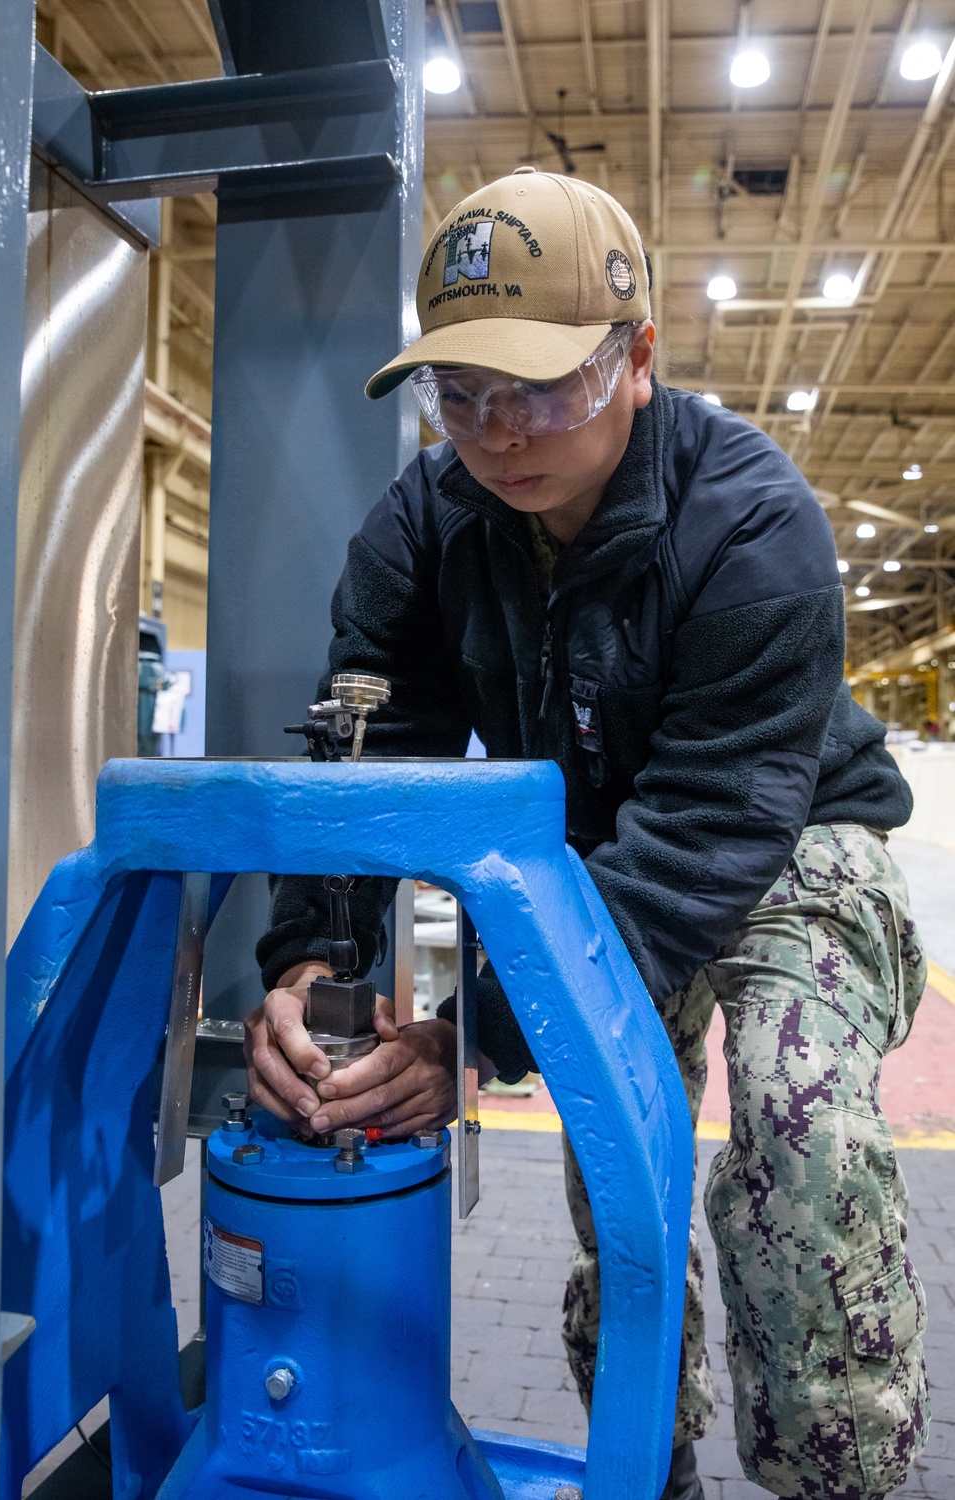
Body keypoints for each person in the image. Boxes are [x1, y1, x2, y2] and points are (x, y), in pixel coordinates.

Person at [244, 169, 929, 1500]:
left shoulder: (754, 524)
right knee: (623, 1172)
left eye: (544, 388)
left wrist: (479, 1036)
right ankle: (643, 1468)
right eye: (462, 395)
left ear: (639, 362)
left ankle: (835, 1471)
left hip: (784, 843)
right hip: (592, 860)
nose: (500, 434)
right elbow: (390, 784)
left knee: (799, 1135)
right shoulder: (427, 529)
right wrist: (327, 983)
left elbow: (706, 838)